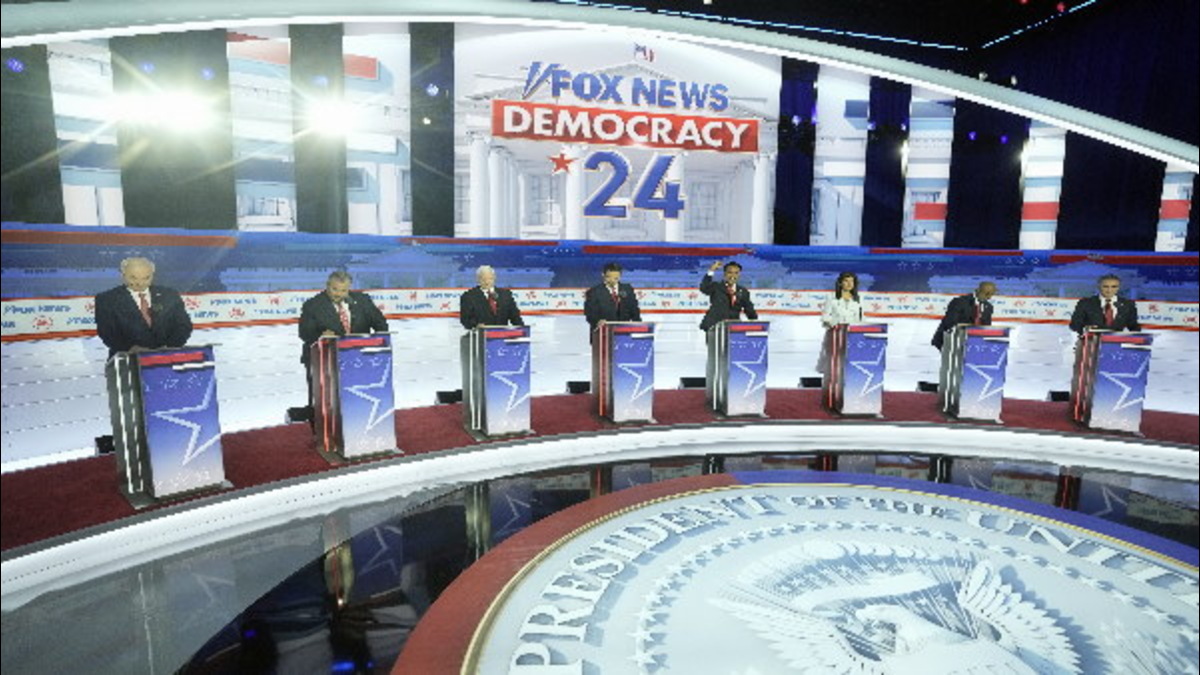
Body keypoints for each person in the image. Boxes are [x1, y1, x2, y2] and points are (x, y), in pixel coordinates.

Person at [94, 256, 193, 358]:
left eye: (146, 278)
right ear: (123, 275)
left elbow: (183, 326)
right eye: (133, 278)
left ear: (153, 275)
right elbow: (107, 333)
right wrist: (130, 349)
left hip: (166, 358)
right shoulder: (106, 300)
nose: (140, 283)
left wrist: (169, 348)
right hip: (127, 359)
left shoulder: (170, 295)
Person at [298, 270, 389, 365]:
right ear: (327, 285)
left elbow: (380, 324)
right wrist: (321, 336)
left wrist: (378, 343)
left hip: (359, 358)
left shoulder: (363, 300)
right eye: (334, 289)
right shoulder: (312, 305)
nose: (338, 294)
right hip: (324, 359)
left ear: (349, 288)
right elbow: (304, 333)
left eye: (343, 290)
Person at [817, 272, 864, 375]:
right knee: (834, 361)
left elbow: (860, 318)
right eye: (846, 281)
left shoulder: (857, 299)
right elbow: (825, 316)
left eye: (852, 281)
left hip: (851, 334)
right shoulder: (832, 298)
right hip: (835, 333)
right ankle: (832, 380)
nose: (849, 284)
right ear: (840, 283)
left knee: (848, 360)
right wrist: (834, 325)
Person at [931, 281, 997, 351]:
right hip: (951, 341)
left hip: (973, 344)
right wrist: (969, 331)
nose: (989, 297)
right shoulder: (960, 301)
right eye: (986, 294)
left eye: (991, 294)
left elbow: (986, 327)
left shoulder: (988, 307)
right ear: (978, 290)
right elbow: (950, 322)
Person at [584, 262, 642, 339]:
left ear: (620, 276)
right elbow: (589, 313)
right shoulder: (594, 292)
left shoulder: (627, 289)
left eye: (616, 278)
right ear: (603, 275)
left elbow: (634, 310)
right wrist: (597, 321)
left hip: (624, 334)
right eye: (609, 277)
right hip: (602, 335)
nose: (612, 280)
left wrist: (639, 326)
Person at [1069, 274, 1141, 334]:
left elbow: (1133, 326)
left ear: (1118, 288)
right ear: (1099, 286)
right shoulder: (1085, 303)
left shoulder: (1128, 305)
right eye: (1105, 286)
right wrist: (1086, 328)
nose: (1109, 290)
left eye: (1114, 287)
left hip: (1116, 342)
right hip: (1091, 342)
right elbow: (1074, 325)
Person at [699, 260, 758, 332]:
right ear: (725, 274)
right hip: (714, 327)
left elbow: (750, 311)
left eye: (736, 273)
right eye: (730, 272)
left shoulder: (743, 292)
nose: (733, 276)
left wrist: (755, 324)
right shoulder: (716, 287)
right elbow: (704, 288)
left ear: (739, 275)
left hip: (733, 329)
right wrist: (711, 270)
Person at [460, 265, 524, 329]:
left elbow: (515, 318)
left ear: (494, 277)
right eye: (483, 279)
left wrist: (523, 330)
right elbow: (465, 319)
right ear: (477, 279)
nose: (487, 282)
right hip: (480, 333)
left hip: (502, 333)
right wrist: (476, 325)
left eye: (489, 279)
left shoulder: (505, 295)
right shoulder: (469, 297)